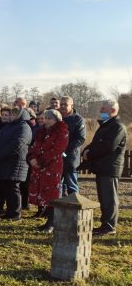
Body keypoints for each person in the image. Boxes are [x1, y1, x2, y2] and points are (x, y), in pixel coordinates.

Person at [82, 99, 127, 236]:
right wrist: (87, 149)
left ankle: (109, 226)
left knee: (109, 198)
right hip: (102, 167)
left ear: (113, 110)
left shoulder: (117, 127)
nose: (101, 111)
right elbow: (96, 143)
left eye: (103, 109)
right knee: (103, 197)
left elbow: (108, 146)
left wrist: (89, 153)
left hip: (110, 168)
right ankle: (105, 224)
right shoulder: (107, 125)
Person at [27, 109, 69, 233]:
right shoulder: (42, 132)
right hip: (39, 167)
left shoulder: (62, 131)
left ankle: (52, 222)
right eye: (45, 118)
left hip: (52, 166)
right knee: (43, 194)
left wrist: (40, 162)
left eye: (49, 118)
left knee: (52, 194)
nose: (45, 120)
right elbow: (34, 147)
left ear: (55, 119)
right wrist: (32, 159)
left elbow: (57, 150)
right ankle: (47, 221)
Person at [0, 107, 32, 220]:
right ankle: (9, 212)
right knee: (6, 187)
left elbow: (17, 143)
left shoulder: (24, 127)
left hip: (15, 162)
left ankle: (16, 213)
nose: (11, 117)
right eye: (11, 115)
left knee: (13, 188)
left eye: (14, 115)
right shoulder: (9, 126)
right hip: (4, 162)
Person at [59, 96, 86, 196]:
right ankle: (59, 209)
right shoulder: (57, 117)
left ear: (71, 105)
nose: (62, 106)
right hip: (57, 157)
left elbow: (81, 138)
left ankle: (74, 209)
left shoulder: (78, 119)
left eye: (65, 104)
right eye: (61, 104)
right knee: (58, 186)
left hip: (71, 158)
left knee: (71, 185)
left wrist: (65, 148)